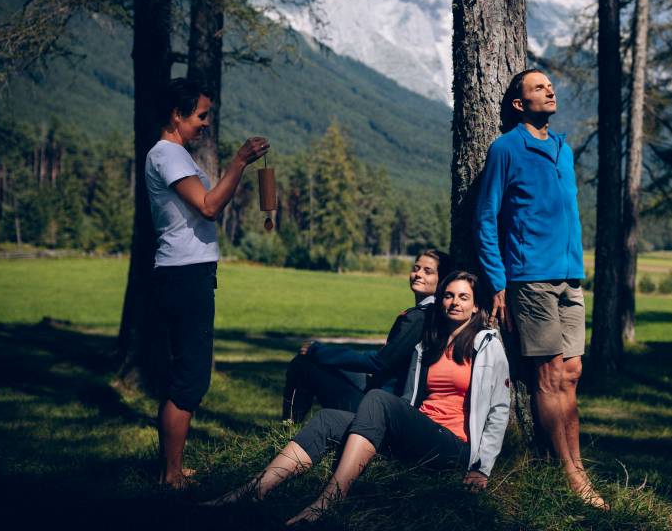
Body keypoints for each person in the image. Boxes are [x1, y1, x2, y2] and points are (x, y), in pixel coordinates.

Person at [208, 271, 510, 524]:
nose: (454, 302)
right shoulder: (429, 344)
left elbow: (499, 409)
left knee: (377, 400)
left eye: (462, 297)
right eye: (449, 295)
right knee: (328, 418)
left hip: (452, 446)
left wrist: (481, 468)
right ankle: (257, 488)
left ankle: (329, 499)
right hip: (418, 431)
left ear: (475, 307)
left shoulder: (487, 346)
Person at [474, 69, 606, 508]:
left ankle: (575, 465)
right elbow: (486, 217)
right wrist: (497, 282)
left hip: (571, 276)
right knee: (549, 377)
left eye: (549, 85)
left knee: (572, 374)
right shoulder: (506, 148)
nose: (549, 90)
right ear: (519, 104)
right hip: (530, 280)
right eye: (537, 87)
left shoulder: (563, 150)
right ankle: (572, 476)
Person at [147, 77, 269, 488]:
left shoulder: (175, 155)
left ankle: (174, 468)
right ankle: (170, 475)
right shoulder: (168, 155)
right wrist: (238, 162)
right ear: (177, 115)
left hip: (188, 272)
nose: (205, 124)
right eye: (200, 116)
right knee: (191, 377)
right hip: (183, 275)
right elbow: (209, 206)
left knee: (188, 373)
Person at [281, 248, 450, 421]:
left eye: (427, 271)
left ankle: (288, 428)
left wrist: (319, 350)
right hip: (379, 391)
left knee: (303, 364)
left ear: (442, 280)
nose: (418, 274)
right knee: (323, 363)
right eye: (416, 268)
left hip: (381, 411)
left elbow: (379, 363)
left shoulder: (420, 318)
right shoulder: (428, 313)